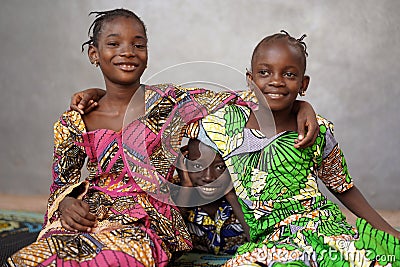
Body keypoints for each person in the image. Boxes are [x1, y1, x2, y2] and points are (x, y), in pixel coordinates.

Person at [6, 9, 319, 267]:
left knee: (115, 260)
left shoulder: (170, 102)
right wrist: (65, 205)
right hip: (92, 214)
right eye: (114, 44)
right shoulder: (74, 121)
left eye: (138, 44)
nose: (127, 52)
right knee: (30, 260)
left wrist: (302, 106)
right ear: (94, 54)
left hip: (148, 219)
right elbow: (62, 184)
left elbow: (249, 98)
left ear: (147, 53)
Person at [189, 31, 400, 266]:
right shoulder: (222, 126)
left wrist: (391, 233)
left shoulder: (315, 130)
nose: (276, 80)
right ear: (250, 79)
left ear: (303, 83)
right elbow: (189, 150)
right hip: (268, 238)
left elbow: (342, 187)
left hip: (319, 227)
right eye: (264, 72)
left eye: (289, 74)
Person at [174, 139, 250, 255]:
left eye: (220, 167)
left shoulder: (249, 193)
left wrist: (231, 195)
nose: (208, 177)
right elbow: (169, 241)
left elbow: (260, 244)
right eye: (198, 166)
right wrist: (186, 187)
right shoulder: (173, 193)